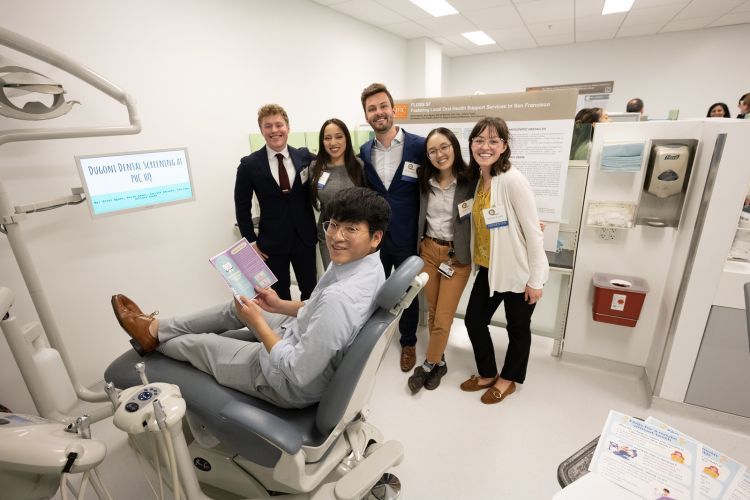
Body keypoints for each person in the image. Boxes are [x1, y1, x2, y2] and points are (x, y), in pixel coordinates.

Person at [111, 187, 389, 409]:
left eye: (351, 229)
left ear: (375, 237)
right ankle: (156, 328)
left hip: (287, 383)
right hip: (297, 334)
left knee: (201, 345)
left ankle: (152, 340)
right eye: (333, 225)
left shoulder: (340, 299)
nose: (336, 237)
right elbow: (316, 308)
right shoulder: (366, 266)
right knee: (240, 306)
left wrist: (258, 325)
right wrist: (278, 305)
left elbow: (297, 372)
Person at [460, 117, 549, 405]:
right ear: (471, 144)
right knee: (474, 321)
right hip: (488, 268)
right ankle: (487, 373)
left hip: (518, 272)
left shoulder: (513, 180)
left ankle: (508, 379)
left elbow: (534, 233)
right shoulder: (480, 180)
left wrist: (536, 280)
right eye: (479, 140)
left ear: (504, 146)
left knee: (517, 329)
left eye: (493, 141)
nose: (485, 146)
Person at [359, 82, 426, 373]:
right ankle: (374, 337)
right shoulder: (364, 150)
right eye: (372, 109)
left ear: (393, 109)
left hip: (408, 235)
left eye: (383, 106)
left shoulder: (419, 146)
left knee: (406, 292)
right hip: (376, 238)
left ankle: (408, 341)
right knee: (374, 287)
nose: (378, 113)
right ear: (366, 115)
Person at [407, 128, 477, 394]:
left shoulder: (471, 181)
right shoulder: (425, 181)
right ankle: (441, 361)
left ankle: (428, 364)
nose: (440, 154)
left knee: (444, 317)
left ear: (455, 147)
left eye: (444, 147)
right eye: (433, 151)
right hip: (428, 251)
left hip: (456, 257)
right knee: (434, 312)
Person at [234, 104, 317, 301]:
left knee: (311, 292)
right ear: (261, 130)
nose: (274, 131)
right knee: (278, 297)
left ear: (287, 127)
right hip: (271, 243)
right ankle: (282, 332)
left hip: (304, 238)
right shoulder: (249, 165)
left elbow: (332, 162)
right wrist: (250, 241)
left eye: (279, 125)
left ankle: (308, 331)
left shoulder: (304, 157)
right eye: (268, 126)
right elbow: (242, 206)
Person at [310, 118, 366, 269]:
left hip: (354, 234)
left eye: (339, 136)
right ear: (322, 142)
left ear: (346, 138)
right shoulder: (316, 167)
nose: (333, 142)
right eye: (328, 138)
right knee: (332, 278)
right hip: (328, 234)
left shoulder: (359, 165)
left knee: (353, 280)